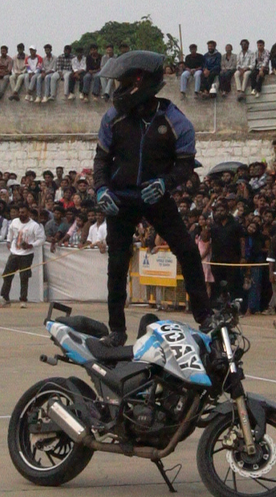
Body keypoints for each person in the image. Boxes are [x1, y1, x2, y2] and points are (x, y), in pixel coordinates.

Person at [93, 50, 212, 347]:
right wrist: (101, 189)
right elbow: (101, 160)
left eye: (123, 84)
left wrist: (164, 183)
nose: (118, 90)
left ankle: (205, 316)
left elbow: (185, 164)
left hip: (155, 196)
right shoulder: (113, 118)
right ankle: (117, 330)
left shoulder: (175, 120)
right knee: (117, 263)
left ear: (140, 83)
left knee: (187, 250)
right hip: (120, 198)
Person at [0, 205, 45, 309]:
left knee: (24, 277)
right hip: (14, 252)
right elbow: (10, 232)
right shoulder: (14, 222)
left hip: (26, 254)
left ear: (28, 213)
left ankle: (23, 299)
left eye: (23, 212)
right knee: (7, 275)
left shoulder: (34, 225)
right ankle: (5, 298)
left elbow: (41, 239)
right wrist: (8, 241)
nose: (21, 214)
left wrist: (31, 245)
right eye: (20, 212)